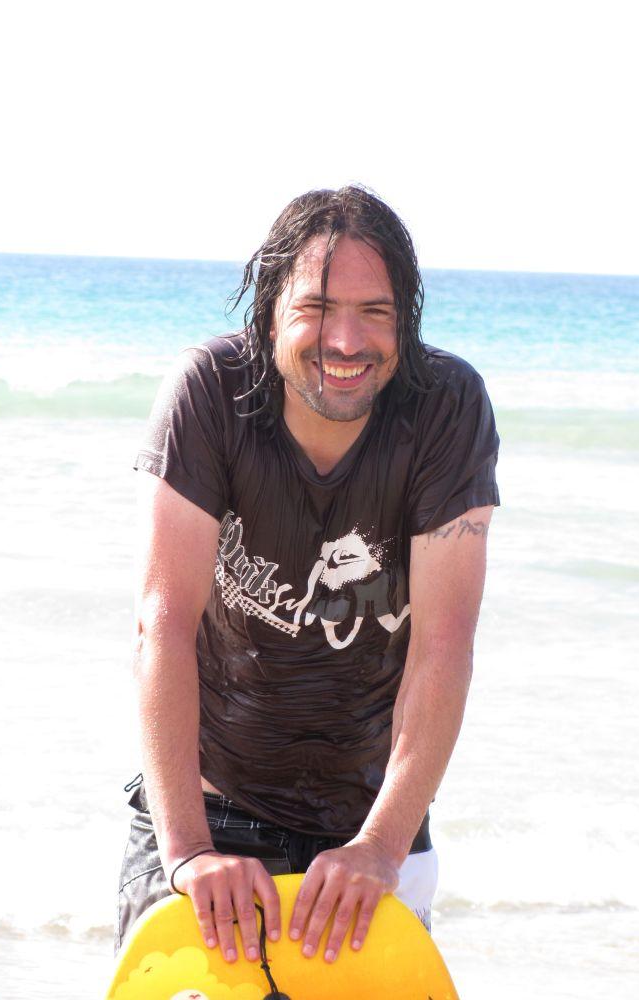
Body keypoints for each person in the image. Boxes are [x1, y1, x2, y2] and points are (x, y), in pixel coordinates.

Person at [118, 185, 500, 970]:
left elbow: (444, 644)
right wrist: (187, 851)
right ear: (269, 313)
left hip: (372, 829)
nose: (348, 339)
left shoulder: (444, 408)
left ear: (409, 321)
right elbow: (164, 623)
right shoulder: (211, 394)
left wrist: (382, 847)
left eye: (377, 311)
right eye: (318, 307)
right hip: (210, 809)